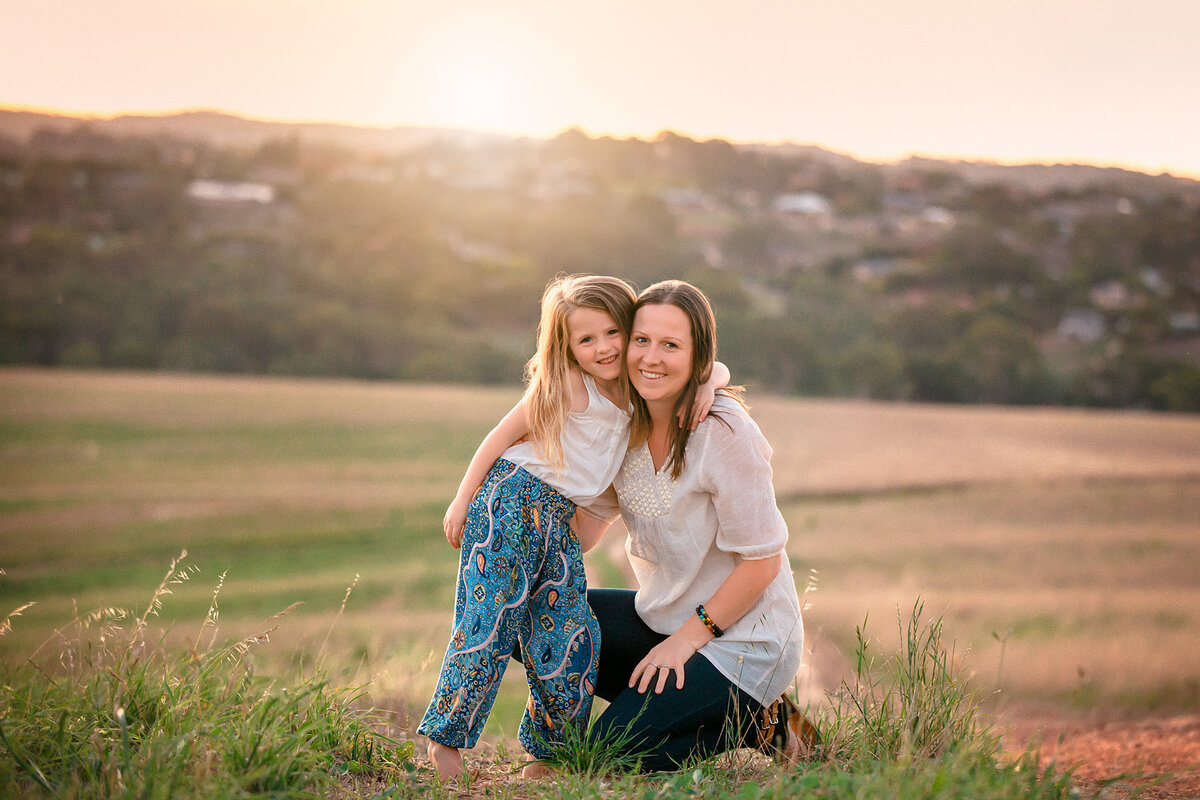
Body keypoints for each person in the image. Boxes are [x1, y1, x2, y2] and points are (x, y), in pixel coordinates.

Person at [417, 274, 730, 782]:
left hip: (558, 521)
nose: (604, 348)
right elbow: (499, 436)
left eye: (614, 333)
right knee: (489, 622)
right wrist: (462, 497)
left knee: (572, 637)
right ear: (568, 347)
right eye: (587, 340)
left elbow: (714, 364)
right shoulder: (566, 383)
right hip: (511, 503)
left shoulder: (637, 388)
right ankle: (445, 739)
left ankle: (548, 753)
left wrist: (708, 385)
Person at [576, 279, 811, 772]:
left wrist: (687, 641)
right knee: (540, 616)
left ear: (698, 356)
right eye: (642, 340)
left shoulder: (723, 431)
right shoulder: (621, 420)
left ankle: (754, 719)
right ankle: (743, 719)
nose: (651, 357)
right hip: (664, 620)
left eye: (671, 345)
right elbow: (587, 529)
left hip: (744, 640)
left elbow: (763, 560)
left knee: (601, 756)